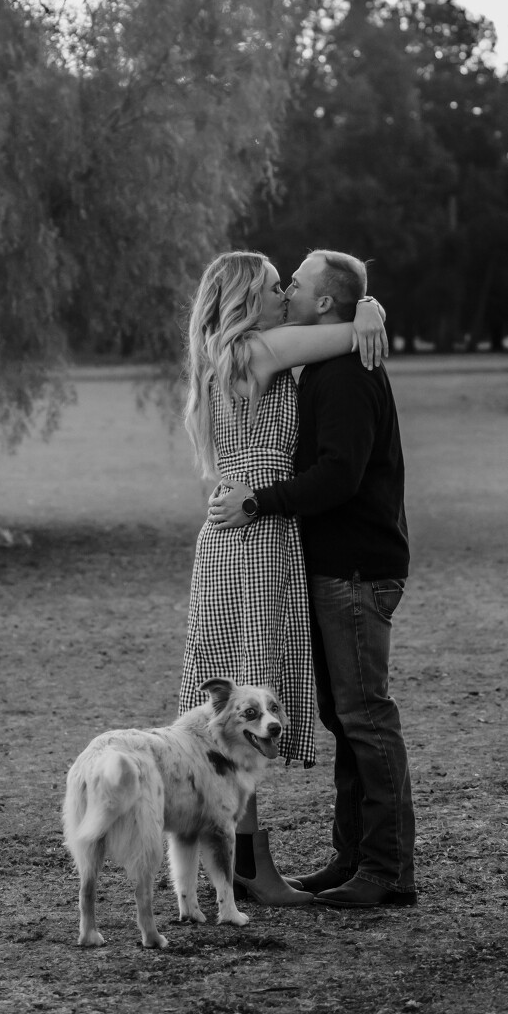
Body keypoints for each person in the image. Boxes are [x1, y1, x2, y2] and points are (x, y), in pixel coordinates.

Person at [209, 249, 415, 909]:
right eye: (279, 284)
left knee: (363, 717)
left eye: (294, 283)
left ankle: (385, 869)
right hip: (325, 564)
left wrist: (259, 502)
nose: (288, 291)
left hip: (354, 568)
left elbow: (339, 476)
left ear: (323, 302)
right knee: (345, 717)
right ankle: (353, 858)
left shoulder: (344, 370)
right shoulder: (315, 359)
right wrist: (368, 309)